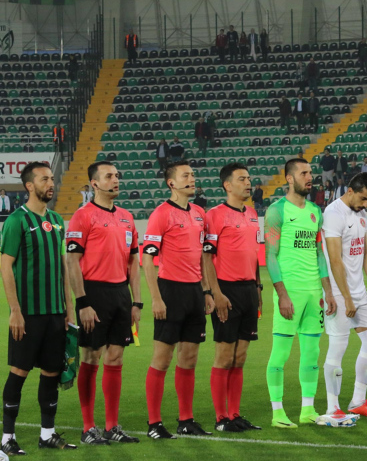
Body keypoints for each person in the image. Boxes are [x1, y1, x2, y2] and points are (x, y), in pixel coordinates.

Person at [1, 162, 77, 456]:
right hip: (28, 314)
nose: (51, 183)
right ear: (29, 186)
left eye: (52, 178)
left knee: (51, 372)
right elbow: (5, 266)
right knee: (19, 371)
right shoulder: (16, 220)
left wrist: (68, 307)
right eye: (44, 179)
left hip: (55, 313)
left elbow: (62, 266)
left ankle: (47, 434)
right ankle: (7, 437)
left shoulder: (57, 220)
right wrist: (15, 310)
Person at [67, 162, 142, 445]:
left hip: (121, 294)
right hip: (94, 293)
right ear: (95, 183)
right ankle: (88, 427)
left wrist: (137, 302)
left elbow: (133, 262)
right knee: (91, 357)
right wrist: (83, 302)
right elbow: (72, 261)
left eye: (117, 175)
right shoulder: (83, 216)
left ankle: (112, 426)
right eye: (109, 176)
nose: (115, 180)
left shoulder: (126, 217)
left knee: (116, 358)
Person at [142, 161, 214, 439]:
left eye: (193, 175)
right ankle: (154, 423)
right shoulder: (161, 214)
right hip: (170, 291)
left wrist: (206, 291)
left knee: (190, 358)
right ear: (171, 183)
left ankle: (186, 420)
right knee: (162, 359)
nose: (192, 179)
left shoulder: (199, 213)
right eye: (186, 175)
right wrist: (156, 298)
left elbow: (202, 257)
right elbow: (148, 259)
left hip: (194, 292)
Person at [264, 158, 337, 428]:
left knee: (311, 353)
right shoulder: (276, 211)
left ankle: (308, 409)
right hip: (291, 291)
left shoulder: (315, 211)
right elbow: (270, 256)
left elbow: (318, 253)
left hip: (313, 292)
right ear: (289, 178)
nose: (310, 177)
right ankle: (277, 413)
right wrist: (282, 294)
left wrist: (328, 291)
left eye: (311, 172)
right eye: (304, 173)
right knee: (280, 354)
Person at [201, 164, 264, 433]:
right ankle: (221, 418)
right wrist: (215, 293)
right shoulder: (214, 215)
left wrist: (258, 287)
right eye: (241, 179)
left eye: (248, 178)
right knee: (224, 355)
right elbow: (206, 257)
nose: (248, 183)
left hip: (249, 289)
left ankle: (235, 414)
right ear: (227, 185)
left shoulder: (252, 214)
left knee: (241, 356)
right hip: (226, 290)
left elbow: (254, 254)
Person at [321, 174, 367, 419]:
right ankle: (332, 407)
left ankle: (358, 401)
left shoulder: (360, 213)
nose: (366, 204)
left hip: (360, 292)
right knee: (338, 347)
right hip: (340, 292)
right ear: (350, 191)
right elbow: (334, 259)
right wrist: (346, 297)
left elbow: (366, 250)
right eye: (363, 198)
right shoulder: (333, 213)